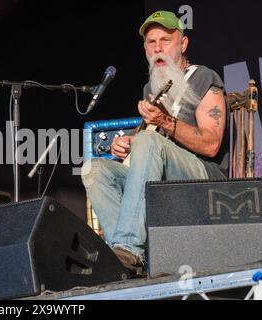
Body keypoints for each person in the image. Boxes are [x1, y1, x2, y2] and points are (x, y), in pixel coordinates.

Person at [81, 11, 228, 274]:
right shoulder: (151, 88)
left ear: (182, 44)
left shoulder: (204, 78)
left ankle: (128, 247)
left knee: (148, 141)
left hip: (204, 179)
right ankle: (128, 261)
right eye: (151, 42)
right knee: (94, 168)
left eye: (165, 40)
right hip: (163, 177)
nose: (157, 48)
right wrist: (127, 142)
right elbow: (149, 139)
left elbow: (211, 144)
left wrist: (164, 122)